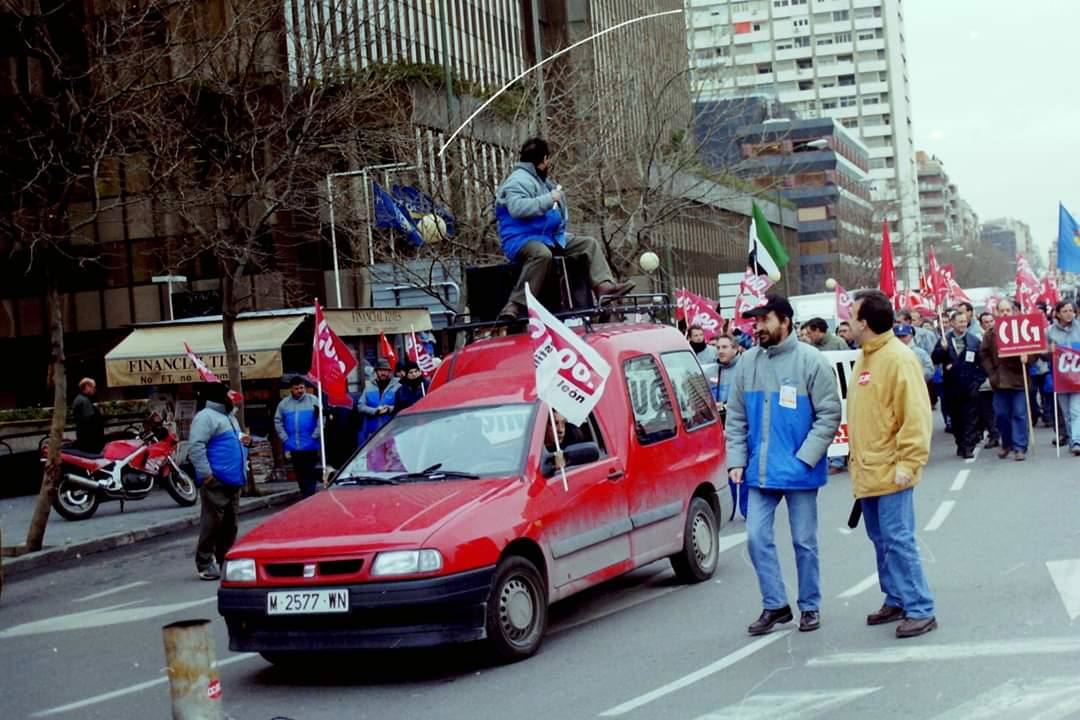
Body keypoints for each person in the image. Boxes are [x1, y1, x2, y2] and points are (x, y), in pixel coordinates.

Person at [726, 294, 842, 635]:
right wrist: (737, 460)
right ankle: (775, 604)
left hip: (800, 471)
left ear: (785, 321)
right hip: (760, 472)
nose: (757, 327)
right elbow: (735, 417)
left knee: (804, 542)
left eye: (764, 320)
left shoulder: (811, 361)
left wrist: (805, 457)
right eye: (755, 321)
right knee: (756, 537)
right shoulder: (748, 362)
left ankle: (810, 605)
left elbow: (829, 415)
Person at [847, 290, 937, 639]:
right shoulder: (867, 357)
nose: (849, 321)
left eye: (852, 315)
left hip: (892, 468)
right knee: (881, 539)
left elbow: (915, 414)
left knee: (898, 539)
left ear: (865, 323)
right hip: (870, 468)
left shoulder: (898, 358)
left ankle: (920, 608)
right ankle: (896, 597)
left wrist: (909, 462)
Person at [494, 137, 633, 320]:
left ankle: (603, 288)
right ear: (544, 159)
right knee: (541, 254)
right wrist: (550, 199)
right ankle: (515, 304)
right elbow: (518, 208)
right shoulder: (517, 181)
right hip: (521, 240)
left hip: (548, 237)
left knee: (587, 244)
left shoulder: (539, 181)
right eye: (547, 159)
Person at [189, 383, 248, 581]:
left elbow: (235, 440)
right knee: (212, 524)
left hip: (233, 479)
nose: (233, 397)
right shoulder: (205, 417)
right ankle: (205, 563)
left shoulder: (228, 417)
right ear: (219, 397)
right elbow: (196, 447)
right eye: (229, 394)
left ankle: (225, 561)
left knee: (230, 525)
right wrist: (207, 475)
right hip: (217, 480)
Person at [978, 298, 1029, 461]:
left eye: (1008, 310)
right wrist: (991, 372)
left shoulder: (1023, 329)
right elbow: (984, 354)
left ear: (1013, 311)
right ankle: (1006, 443)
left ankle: (1020, 447)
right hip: (999, 381)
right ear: (997, 312)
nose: (1005, 313)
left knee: (1019, 414)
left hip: (1019, 379)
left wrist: (1028, 357)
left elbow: (1035, 350)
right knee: (1001, 415)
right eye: (1002, 311)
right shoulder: (991, 333)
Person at [933, 311, 985, 459]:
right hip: (951, 387)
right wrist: (941, 351)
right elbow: (935, 358)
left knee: (970, 418)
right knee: (956, 419)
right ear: (952, 323)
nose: (963, 324)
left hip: (969, 386)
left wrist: (977, 381)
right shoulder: (944, 340)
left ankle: (968, 446)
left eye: (964, 321)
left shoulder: (974, 341)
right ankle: (961, 443)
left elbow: (982, 364)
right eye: (960, 321)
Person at [273, 375, 322, 498]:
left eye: (302, 387)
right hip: (293, 445)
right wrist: (284, 438)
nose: (300, 390)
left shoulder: (313, 400)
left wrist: (316, 434)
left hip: (310, 444)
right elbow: (277, 421)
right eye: (297, 388)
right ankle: (304, 492)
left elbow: (321, 418)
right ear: (291, 389)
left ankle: (309, 495)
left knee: (310, 471)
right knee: (299, 472)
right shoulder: (284, 404)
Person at [1049, 299, 1080, 453]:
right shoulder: (1050, 331)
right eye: (1065, 311)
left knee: (1076, 410)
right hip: (1060, 379)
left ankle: (1077, 441)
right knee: (1066, 413)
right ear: (1058, 314)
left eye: (1071, 310)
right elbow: (1040, 354)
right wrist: (1049, 350)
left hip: (1077, 377)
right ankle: (1071, 438)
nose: (1069, 314)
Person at [354, 358, 400, 447]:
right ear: (376, 371)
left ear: (390, 372)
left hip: (392, 432)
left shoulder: (397, 386)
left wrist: (389, 408)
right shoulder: (369, 386)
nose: (384, 373)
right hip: (372, 432)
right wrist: (375, 411)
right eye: (381, 370)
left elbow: (402, 406)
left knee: (392, 459)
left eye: (386, 370)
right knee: (375, 460)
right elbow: (360, 406)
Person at [974, 312, 1001, 449]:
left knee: (1000, 409)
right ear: (981, 324)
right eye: (986, 322)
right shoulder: (976, 339)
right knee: (987, 410)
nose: (989, 324)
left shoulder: (1000, 335)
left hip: (999, 378)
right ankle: (993, 435)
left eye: (991, 321)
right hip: (983, 380)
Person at [72, 377, 105, 453]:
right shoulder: (84, 401)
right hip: (90, 442)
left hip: (84, 439)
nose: (94, 389)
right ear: (87, 386)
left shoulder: (81, 399)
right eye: (93, 387)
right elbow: (90, 421)